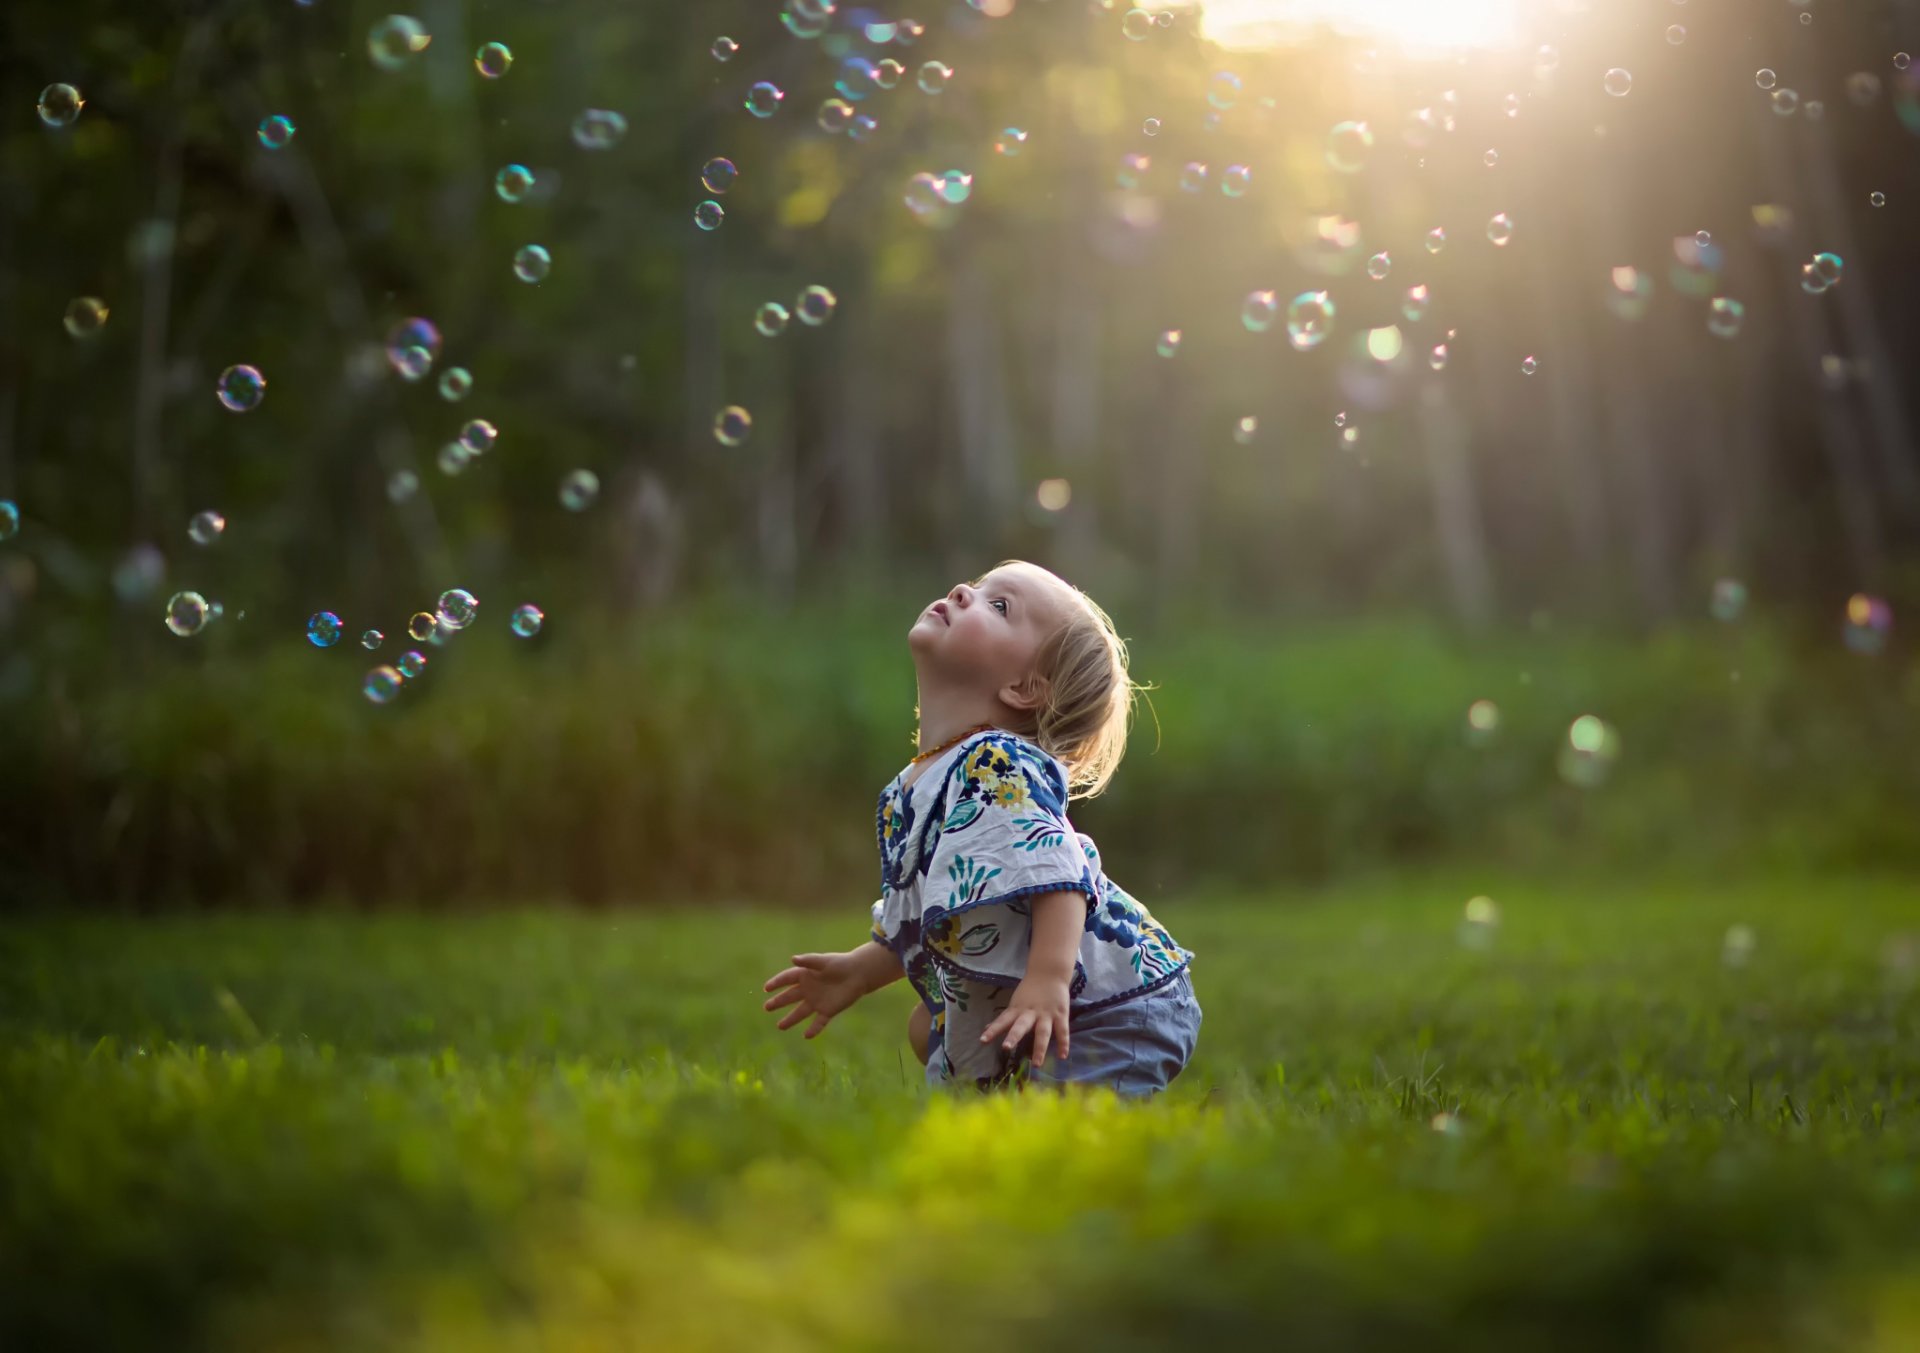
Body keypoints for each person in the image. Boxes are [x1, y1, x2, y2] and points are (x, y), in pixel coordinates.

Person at [761, 559, 1200, 1097]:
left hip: (1113, 1002)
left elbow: (1061, 870)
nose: (964, 591)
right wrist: (859, 971)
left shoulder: (996, 764)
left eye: (999, 606)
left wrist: (1047, 981)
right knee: (929, 1030)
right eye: (979, 585)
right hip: (1052, 989)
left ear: (1022, 688)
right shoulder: (918, 785)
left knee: (1055, 1133)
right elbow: (934, 915)